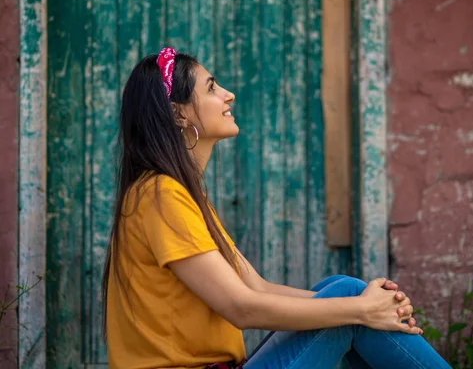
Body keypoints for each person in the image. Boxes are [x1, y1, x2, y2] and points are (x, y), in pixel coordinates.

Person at [102, 47, 451, 369]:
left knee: (341, 285)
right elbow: (241, 307)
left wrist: (369, 304)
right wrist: (362, 309)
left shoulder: (176, 193)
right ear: (177, 114)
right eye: (211, 88)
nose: (227, 94)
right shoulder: (160, 194)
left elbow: (257, 287)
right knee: (349, 299)